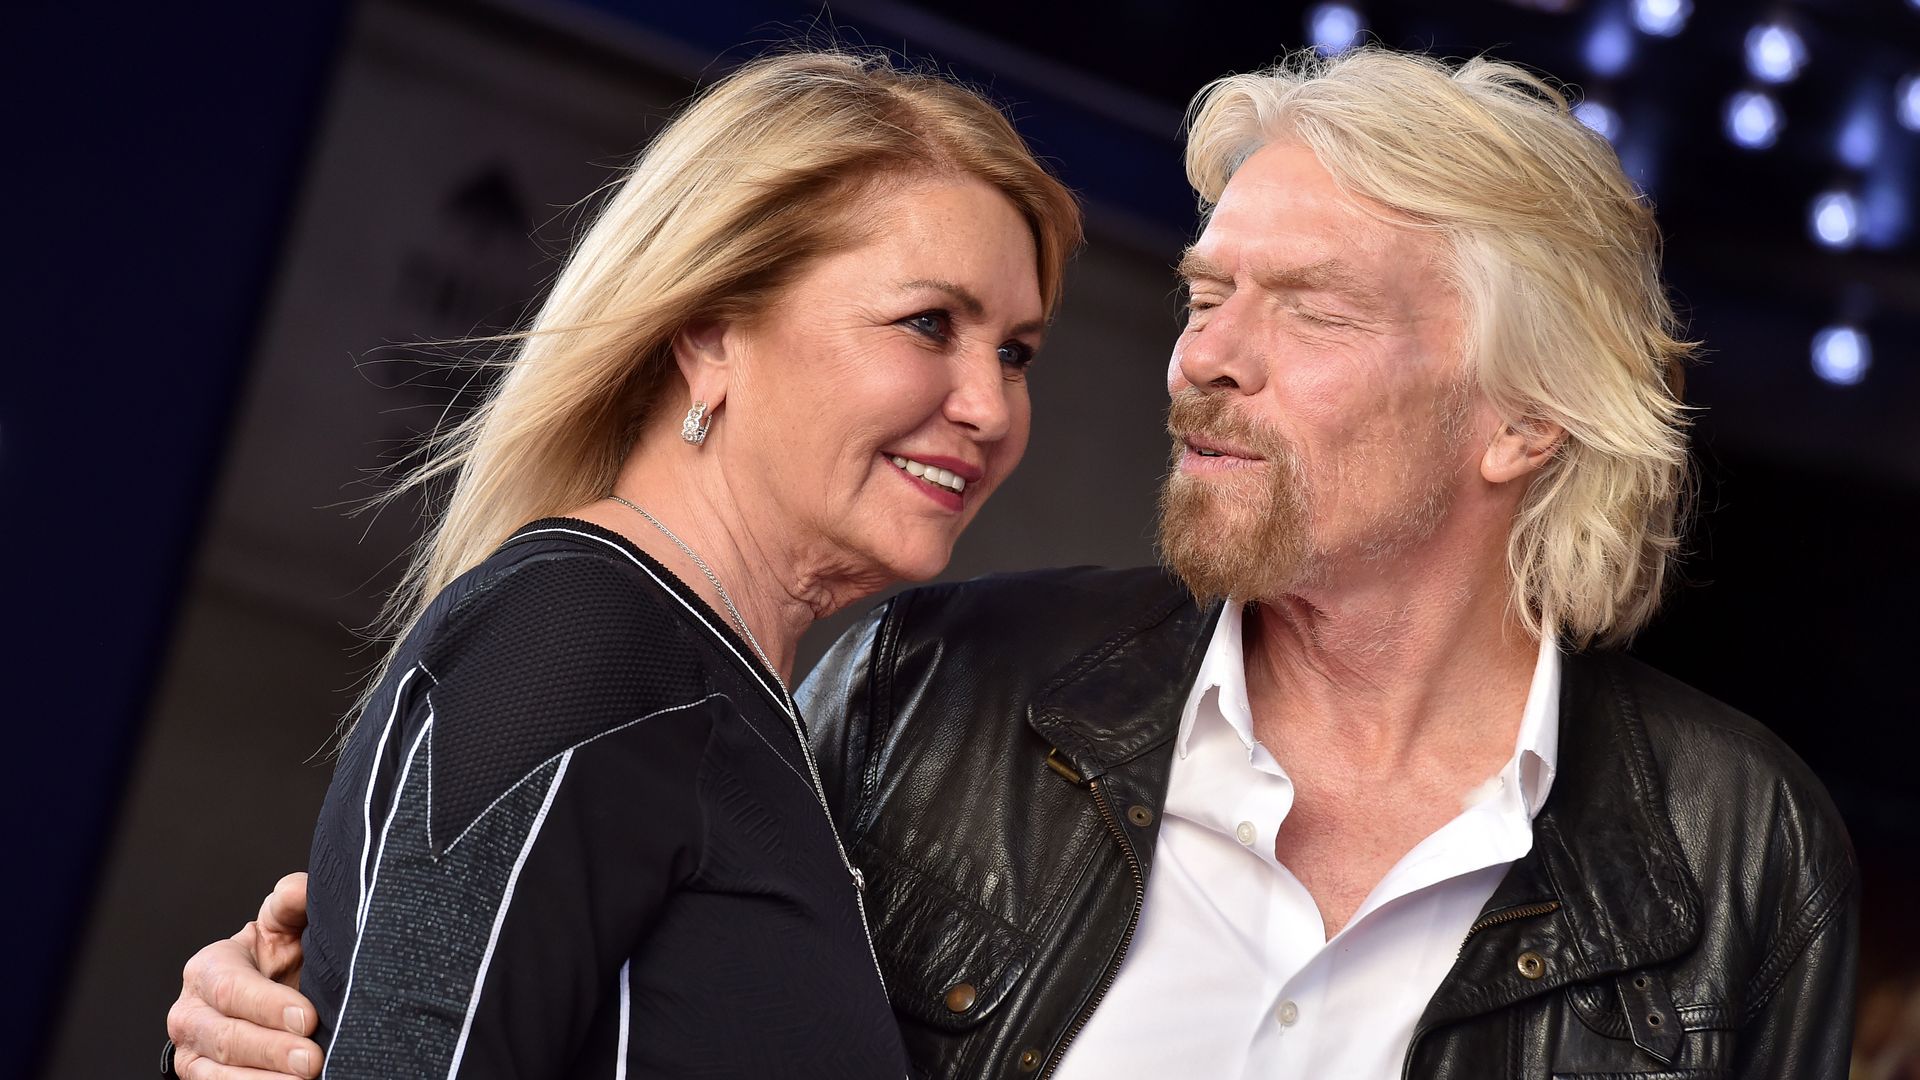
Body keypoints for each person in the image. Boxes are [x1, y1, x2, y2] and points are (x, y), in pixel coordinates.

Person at [167, 46, 1857, 1080]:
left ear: (1521, 423)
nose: (1199, 358)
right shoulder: (922, 690)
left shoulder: (1739, 853)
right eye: (1203, 294)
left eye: (1307, 307)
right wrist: (311, 1011)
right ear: (704, 341)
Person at [160, 47, 1081, 1080]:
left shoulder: (714, 694)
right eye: (928, 323)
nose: (991, 407)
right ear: (712, 330)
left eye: (1015, 353)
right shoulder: (581, 638)